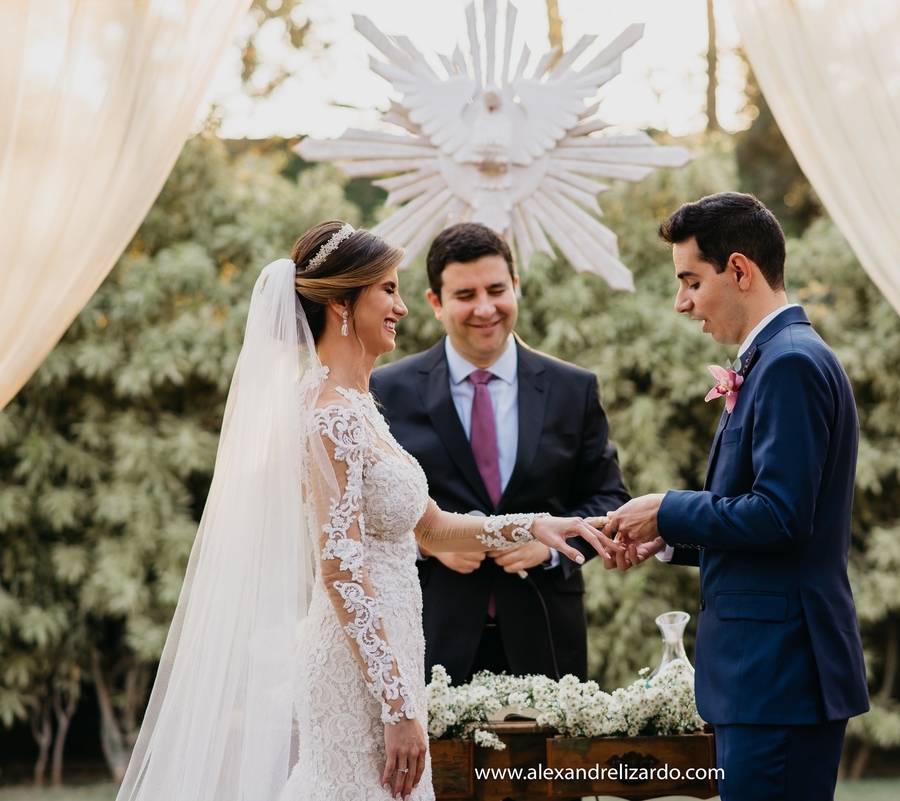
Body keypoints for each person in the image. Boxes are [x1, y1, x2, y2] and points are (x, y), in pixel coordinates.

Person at [115, 221, 611, 801]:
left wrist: (534, 526)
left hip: (393, 658)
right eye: (389, 291)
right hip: (362, 675)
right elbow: (340, 568)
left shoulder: (359, 407)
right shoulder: (330, 416)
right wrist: (397, 705)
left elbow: (431, 527)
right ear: (343, 304)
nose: (402, 307)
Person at [602, 193, 869, 801]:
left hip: (778, 676)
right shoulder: (778, 358)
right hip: (768, 676)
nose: (682, 302)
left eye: (691, 280)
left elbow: (780, 517)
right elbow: (762, 524)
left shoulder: (790, 364)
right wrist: (668, 537)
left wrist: (668, 506)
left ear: (740, 271)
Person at [372, 222, 629, 685]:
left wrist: (549, 547)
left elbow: (609, 499)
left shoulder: (574, 388)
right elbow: (362, 514)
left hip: (547, 634)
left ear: (517, 287)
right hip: (430, 633)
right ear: (435, 303)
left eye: (496, 289)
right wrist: (427, 541)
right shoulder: (386, 390)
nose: (485, 308)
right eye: (465, 295)